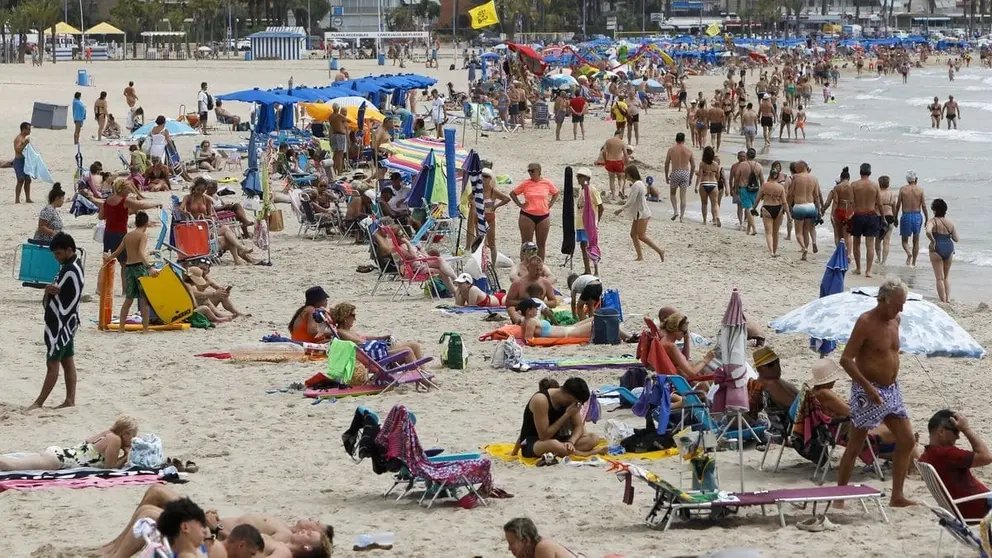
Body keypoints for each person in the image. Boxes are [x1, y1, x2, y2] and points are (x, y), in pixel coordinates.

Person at [836, 278, 917, 508]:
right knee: (856, 444)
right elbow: (846, 359)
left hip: (892, 390)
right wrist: (868, 387)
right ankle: (839, 497)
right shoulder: (865, 322)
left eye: (902, 304)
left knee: (907, 440)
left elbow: (889, 350)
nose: (900, 309)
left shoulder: (896, 320)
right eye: (897, 304)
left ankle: (897, 496)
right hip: (867, 390)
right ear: (883, 300)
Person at [101, 485, 331, 558]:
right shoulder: (281, 537)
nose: (308, 526)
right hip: (211, 531)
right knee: (150, 507)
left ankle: (113, 554)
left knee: (150, 512)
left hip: (210, 534)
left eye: (312, 532)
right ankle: (112, 550)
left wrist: (213, 528)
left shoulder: (283, 550)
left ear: (308, 546)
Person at [24, 233, 85, 410]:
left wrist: (48, 290)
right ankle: (70, 400)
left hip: (61, 324)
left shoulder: (70, 269)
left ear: (69, 250)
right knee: (67, 360)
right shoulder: (72, 264)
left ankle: (39, 402)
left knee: (53, 362)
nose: (56, 258)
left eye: (58, 254)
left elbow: (61, 291)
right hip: (69, 322)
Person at [920, 410, 992, 521]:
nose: (958, 437)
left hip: (957, 510)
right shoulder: (947, 454)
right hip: (978, 508)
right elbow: (987, 457)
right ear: (941, 432)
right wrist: (966, 429)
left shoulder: (926, 456)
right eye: (956, 432)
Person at [512, 376, 603, 458]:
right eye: (579, 402)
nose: (579, 406)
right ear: (570, 397)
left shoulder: (571, 402)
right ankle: (587, 454)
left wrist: (571, 442)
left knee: (592, 438)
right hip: (533, 442)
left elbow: (578, 426)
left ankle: (566, 450)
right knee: (554, 445)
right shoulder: (541, 400)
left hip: (557, 439)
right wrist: (567, 414)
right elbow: (544, 436)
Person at [0, 416, 138, 469]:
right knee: (13, 466)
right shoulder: (115, 439)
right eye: (132, 436)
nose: (132, 440)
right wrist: (126, 455)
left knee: (16, 462)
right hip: (59, 460)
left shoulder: (106, 434)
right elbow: (110, 468)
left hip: (59, 454)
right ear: (125, 433)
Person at [105, 211, 159, 333]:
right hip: (139, 268)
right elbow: (140, 253)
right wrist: (149, 267)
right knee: (143, 299)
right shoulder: (143, 236)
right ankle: (145, 329)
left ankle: (121, 328)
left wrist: (108, 258)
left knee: (129, 299)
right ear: (146, 223)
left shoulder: (127, 236)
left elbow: (117, 252)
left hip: (128, 268)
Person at [332, 302, 425, 364]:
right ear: (345, 317)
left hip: (378, 352)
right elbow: (361, 343)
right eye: (353, 315)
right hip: (375, 357)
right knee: (407, 351)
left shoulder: (349, 330)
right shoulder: (341, 332)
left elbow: (364, 338)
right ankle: (419, 376)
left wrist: (380, 337)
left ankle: (424, 372)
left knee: (414, 345)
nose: (355, 318)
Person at [613, 165, 665, 262]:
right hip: (640, 213)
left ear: (631, 174)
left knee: (641, 236)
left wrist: (620, 209)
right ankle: (640, 256)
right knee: (633, 234)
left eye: (626, 173)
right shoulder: (639, 183)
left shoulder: (637, 185)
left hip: (642, 213)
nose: (625, 175)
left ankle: (660, 251)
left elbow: (631, 201)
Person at [510, 163, 559, 262]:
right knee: (526, 243)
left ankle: (539, 267)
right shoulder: (526, 183)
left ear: (539, 171)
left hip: (543, 215)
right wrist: (520, 204)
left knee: (541, 244)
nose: (530, 173)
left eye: (532, 171)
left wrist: (550, 204)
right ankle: (524, 266)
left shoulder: (547, 182)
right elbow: (513, 193)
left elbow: (556, 193)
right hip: (527, 215)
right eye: (529, 171)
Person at [660, 312, 716, 384]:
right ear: (676, 330)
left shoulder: (664, 340)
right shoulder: (671, 346)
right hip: (684, 382)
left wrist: (687, 339)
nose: (685, 334)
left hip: (679, 377)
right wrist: (706, 360)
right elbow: (691, 373)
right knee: (720, 379)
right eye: (684, 332)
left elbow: (684, 358)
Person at [849, 163, 882, 277]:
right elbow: (880, 203)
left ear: (860, 172)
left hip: (858, 215)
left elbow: (851, 203)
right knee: (870, 244)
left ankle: (858, 268)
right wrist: (882, 216)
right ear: (870, 173)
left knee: (856, 243)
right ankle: (868, 271)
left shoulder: (854, 185)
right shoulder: (875, 185)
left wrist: (849, 215)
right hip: (871, 215)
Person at [505, 255, 557, 324]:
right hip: (521, 312)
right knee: (511, 309)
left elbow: (553, 302)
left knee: (549, 311)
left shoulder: (545, 283)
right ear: (528, 268)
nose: (538, 272)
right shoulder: (518, 283)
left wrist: (538, 302)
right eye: (536, 270)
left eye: (540, 269)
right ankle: (520, 321)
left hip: (539, 311)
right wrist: (525, 302)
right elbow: (508, 302)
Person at [503, 517, 585, 558]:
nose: (509, 548)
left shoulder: (543, 547)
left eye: (511, 543)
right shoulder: (527, 552)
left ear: (525, 541)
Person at [788, 160, 821, 261]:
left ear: (800, 167)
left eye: (796, 168)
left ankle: (804, 248)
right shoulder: (814, 179)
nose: (795, 170)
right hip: (811, 206)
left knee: (799, 232)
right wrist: (818, 210)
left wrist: (788, 206)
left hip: (799, 206)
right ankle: (813, 242)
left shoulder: (796, 177)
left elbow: (791, 194)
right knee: (807, 230)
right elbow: (817, 196)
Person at [927, 198, 958, 303]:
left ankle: (943, 300)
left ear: (934, 210)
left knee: (939, 278)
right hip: (949, 248)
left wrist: (933, 241)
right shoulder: (950, 223)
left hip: (937, 248)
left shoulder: (932, 221)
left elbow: (927, 231)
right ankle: (948, 298)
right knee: (946, 276)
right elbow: (956, 239)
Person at [574, 167, 603, 275]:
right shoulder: (581, 189)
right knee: (583, 246)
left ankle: (595, 270)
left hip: (589, 223)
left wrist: (596, 220)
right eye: (578, 177)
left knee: (592, 245)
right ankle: (587, 269)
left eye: (580, 177)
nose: (578, 179)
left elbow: (600, 206)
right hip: (580, 222)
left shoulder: (592, 189)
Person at [896, 170, 928, 267]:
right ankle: (914, 263)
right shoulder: (920, 190)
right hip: (917, 216)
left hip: (906, 215)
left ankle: (909, 254)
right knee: (916, 240)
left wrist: (895, 217)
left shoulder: (902, 189)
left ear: (907, 179)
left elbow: (898, 205)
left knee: (904, 241)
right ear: (916, 179)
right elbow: (924, 206)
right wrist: (927, 218)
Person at [822, 167, 854, 260]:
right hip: (849, 212)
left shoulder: (837, 188)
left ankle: (840, 253)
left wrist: (832, 214)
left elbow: (835, 201)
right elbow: (854, 201)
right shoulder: (852, 187)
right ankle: (848, 254)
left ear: (840, 178)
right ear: (848, 178)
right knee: (847, 235)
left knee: (837, 234)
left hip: (839, 211)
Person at [755, 167, 787, 257]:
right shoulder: (781, 187)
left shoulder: (765, 185)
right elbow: (784, 202)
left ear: (769, 175)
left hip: (767, 208)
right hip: (778, 209)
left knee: (768, 232)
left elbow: (758, 198)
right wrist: (788, 214)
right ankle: (775, 251)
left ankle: (771, 252)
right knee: (775, 233)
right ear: (777, 176)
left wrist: (754, 208)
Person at [664, 132, 695, 223]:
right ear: (684, 140)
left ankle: (675, 211)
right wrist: (690, 177)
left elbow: (666, 163)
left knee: (673, 193)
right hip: (685, 172)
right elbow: (693, 165)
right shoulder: (688, 151)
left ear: (676, 139)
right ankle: (682, 216)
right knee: (683, 196)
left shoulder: (671, 150)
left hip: (675, 172)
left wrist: (666, 176)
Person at [734, 147, 763, 237]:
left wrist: (736, 189)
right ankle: (748, 229)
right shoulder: (759, 166)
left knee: (748, 209)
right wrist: (762, 192)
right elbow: (762, 180)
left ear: (746, 155)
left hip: (744, 188)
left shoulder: (742, 165)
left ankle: (754, 229)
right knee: (752, 209)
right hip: (755, 190)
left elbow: (737, 177)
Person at [695, 146, 722, 227]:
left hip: (704, 183)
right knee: (715, 203)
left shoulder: (702, 164)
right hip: (713, 184)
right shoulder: (716, 164)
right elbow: (718, 176)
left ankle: (704, 221)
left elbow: (699, 176)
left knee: (704, 203)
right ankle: (716, 218)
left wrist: (696, 186)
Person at [600, 130, 628, 200]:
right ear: (620, 135)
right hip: (618, 161)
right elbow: (625, 154)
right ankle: (620, 189)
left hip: (610, 161)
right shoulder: (622, 142)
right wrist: (626, 164)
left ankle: (613, 196)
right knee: (620, 178)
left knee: (611, 179)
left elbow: (603, 151)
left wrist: (605, 160)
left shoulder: (608, 141)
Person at [875, 175, 896, 265]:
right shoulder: (892, 194)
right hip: (890, 217)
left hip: (878, 217)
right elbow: (894, 207)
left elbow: (873, 206)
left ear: (879, 183)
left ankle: (879, 258)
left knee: (878, 240)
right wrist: (895, 218)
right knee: (887, 241)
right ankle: (884, 261)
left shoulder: (877, 193)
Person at [13, 121, 32, 203]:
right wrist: (25, 143)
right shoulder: (19, 138)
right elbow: (17, 150)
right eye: (28, 129)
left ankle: (28, 198)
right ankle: (17, 199)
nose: (30, 131)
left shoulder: (24, 139)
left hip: (25, 162)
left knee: (28, 179)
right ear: (24, 129)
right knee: (20, 180)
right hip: (18, 161)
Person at [328, 103, 348, 175]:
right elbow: (348, 120)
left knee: (335, 155)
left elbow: (331, 128)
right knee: (340, 155)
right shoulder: (339, 116)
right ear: (338, 109)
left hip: (333, 135)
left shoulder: (330, 116)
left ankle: (333, 171)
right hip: (340, 135)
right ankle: (339, 172)